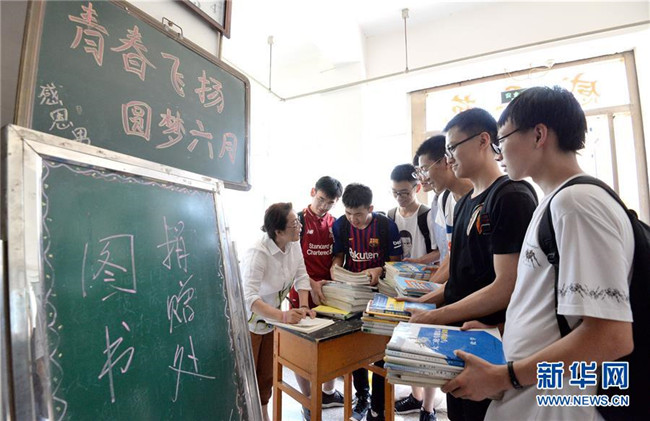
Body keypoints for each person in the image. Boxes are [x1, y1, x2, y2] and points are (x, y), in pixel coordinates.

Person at [441, 86, 634, 420]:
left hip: (557, 403)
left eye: (503, 139)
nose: (498, 152)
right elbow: (549, 303)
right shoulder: (556, 201)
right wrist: (501, 330)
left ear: (539, 135)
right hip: (533, 397)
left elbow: (610, 336)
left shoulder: (577, 204)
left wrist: (504, 377)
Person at [409, 108, 537, 420]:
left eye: (453, 147)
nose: (448, 157)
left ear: (483, 141)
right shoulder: (466, 202)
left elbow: (507, 286)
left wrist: (436, 315)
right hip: (462, 337)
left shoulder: (511, 197)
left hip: (495, 343)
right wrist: (421, 306)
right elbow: (460, 278)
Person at [393, 135, 474, 421]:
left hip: (469, 307)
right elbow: (451, 254)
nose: (423, 177)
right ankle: (422, 403)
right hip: (448, 291)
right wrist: (426, 292)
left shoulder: (495, 197)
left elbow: (450, 259)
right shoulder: (447, 199)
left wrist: (427, 296)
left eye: (424, 170)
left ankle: (427, 408)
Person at [331, 183, 403, 421]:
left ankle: (378, 406)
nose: (353, 219)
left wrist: (380, 269)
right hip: (353, 295)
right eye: (348, 213)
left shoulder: (386, 226)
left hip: (382, 295)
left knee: (381, 350)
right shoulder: (340, 225)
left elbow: (396, 263)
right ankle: (362, 396)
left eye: (359, 214)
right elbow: (339, 256)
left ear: (370, 208)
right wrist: (335, 268)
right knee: (355, 349)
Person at [242, 202, 316, 421]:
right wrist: (283, 316)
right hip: (249, 322)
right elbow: (249, 297)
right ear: (278, 231)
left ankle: (264, 414)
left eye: (298, 222)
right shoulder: (258, 252)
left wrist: (304, 306)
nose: (300, 226)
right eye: (294, 224)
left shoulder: (293, 244)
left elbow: (302, 275)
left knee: (267, 373)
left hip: (272, 319)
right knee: (246, 376)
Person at [288, 176, 345, 418]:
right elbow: (290, 260)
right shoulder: (297, 221)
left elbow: (339, 254)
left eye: (330, 203)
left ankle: (329, 393)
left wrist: (334, 269)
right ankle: (309, 400)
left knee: (330, 346)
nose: (323, 206)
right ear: (313, 192)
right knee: (301, 350)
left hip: (328, 295)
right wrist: (310, 284)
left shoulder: (335, 224)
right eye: (321, 199)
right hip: (301, 292)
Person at [388, 163, 439, 263]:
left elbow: (440, 251)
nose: (399, 197)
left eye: (404, 193)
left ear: (417, 188)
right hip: (397, 271)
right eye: (394, 192)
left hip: (424, 271)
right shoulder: (391, 215)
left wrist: (418, 261)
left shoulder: (428, 215)